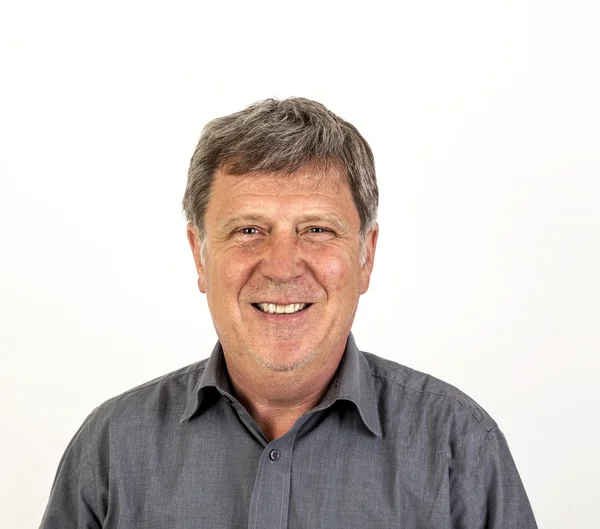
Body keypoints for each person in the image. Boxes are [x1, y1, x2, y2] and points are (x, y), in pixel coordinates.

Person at [40, 97, 538, 528]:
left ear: (366, 256)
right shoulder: (109, 450)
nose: (281, 267)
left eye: (317, 230)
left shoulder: (460, 448)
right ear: (200, 255)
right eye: (249, 230)